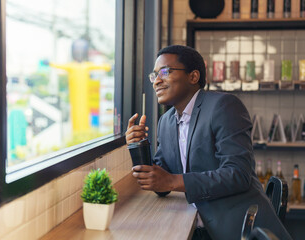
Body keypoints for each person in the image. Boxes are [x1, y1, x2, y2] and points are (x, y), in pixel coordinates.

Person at [125, 45, 292, 240]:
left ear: (193, 77)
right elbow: (162, 183)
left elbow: (238, 174)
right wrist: (138, 147)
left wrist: (172, 180)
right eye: (154, 76)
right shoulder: (166, 122)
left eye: (165, 72)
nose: (157, 81)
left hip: (239, 229)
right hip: (198, 224)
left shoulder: (224, 106)